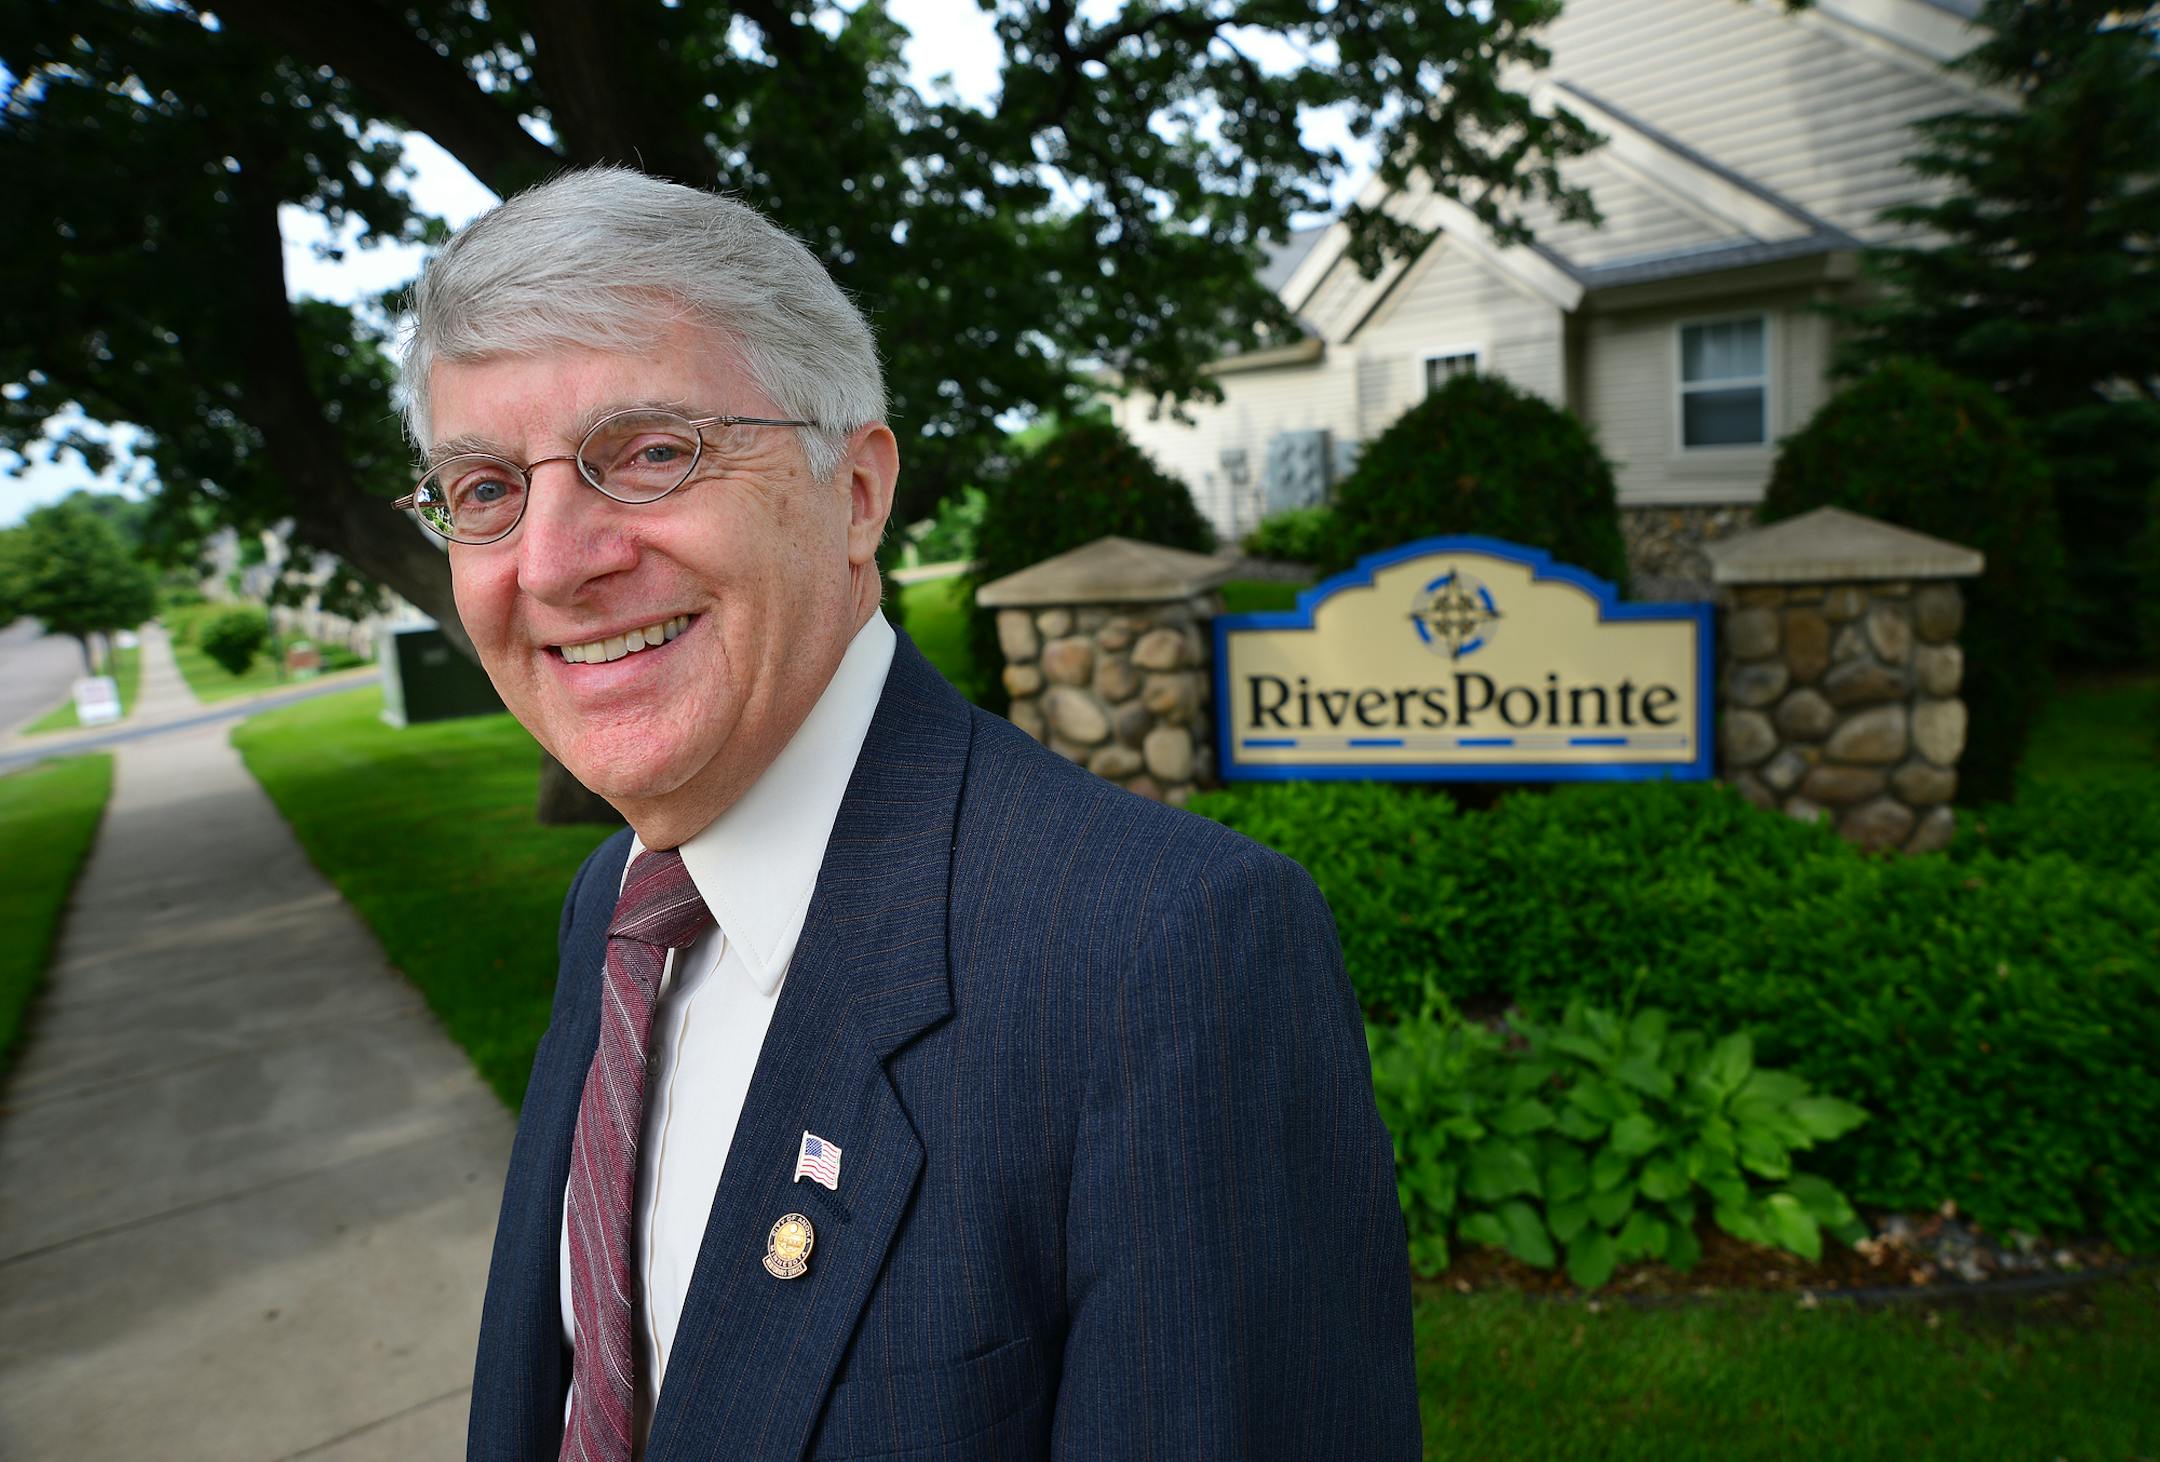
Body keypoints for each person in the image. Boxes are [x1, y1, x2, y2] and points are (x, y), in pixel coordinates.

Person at [396, 167, 1419, 1461]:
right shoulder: (616, 902)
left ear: (858, 494)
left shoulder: (1162, 956)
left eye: (650, 453)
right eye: (486, 488)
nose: (551, 560)